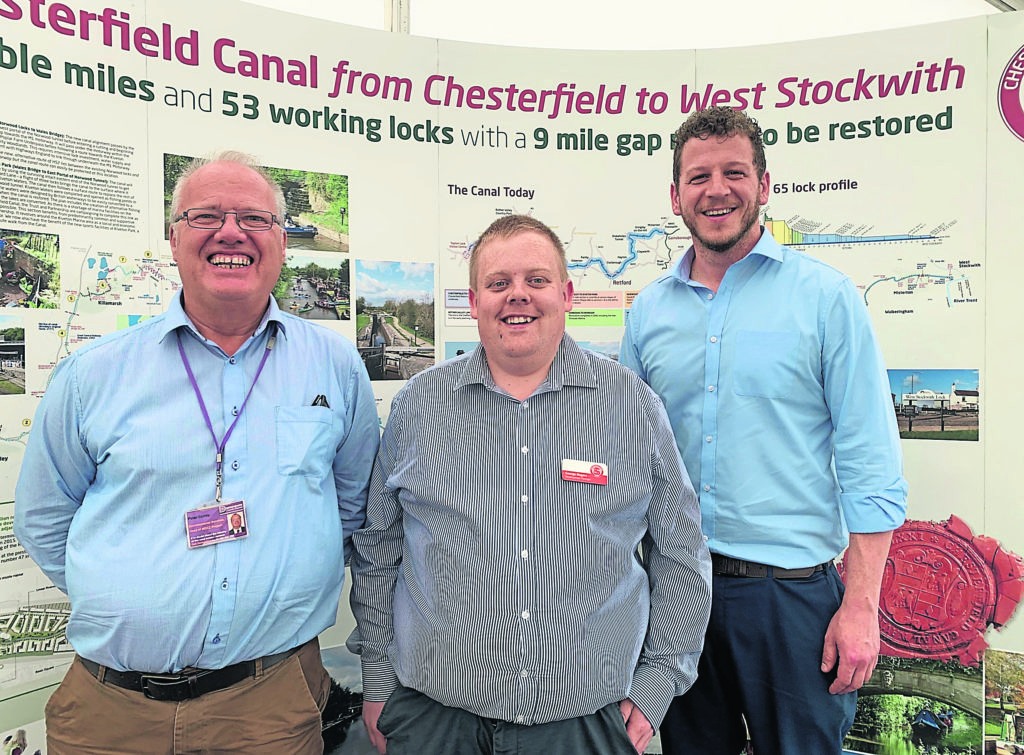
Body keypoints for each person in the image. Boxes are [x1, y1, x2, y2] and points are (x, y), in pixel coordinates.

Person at [14, 151, 379, 754]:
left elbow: (351, 506)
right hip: (110, 712)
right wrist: (128, 596)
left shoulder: (334, 365)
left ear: (281, 242)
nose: (231, 232)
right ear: (174, 237)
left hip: (270, 707)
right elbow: (45, 518)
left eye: (254, 218)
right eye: (206, 215)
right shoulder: (94, 373)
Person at [348, 214, 712, 755]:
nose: (517, 296)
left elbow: (681, 552)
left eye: (536, 281)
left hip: (584, 723)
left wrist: (658, 684)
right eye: (499, 283)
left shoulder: (631, 407)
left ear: (565, 294)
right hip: (434, 719)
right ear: (474, 302)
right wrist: (378, 679)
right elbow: (379, 547)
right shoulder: (418, 406)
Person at [619, 106, 908, 755]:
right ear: (675, 195)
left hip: (794, 602)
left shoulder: (826, 299)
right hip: (681, 597)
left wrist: (861, 603)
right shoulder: (648, 313)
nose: (716, 188)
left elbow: (870, 460)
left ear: (764, 184)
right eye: (698, 175)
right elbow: (631, 461)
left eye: (733, 171)